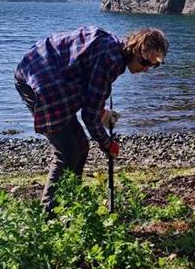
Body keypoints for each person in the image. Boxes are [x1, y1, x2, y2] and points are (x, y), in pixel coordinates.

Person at [14, 26, 168, 213]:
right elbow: (88, 115)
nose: (146, 69)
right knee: (68, 152)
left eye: (153, 65)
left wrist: (101, 113)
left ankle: (68, 204)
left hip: (46, 72)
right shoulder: (111, 60)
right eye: (144, 61)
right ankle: (50, 216)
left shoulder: (114, 49)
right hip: (40, 79)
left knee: (81, 146)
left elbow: (84, 86)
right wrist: (107, 144)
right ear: (135, 48)